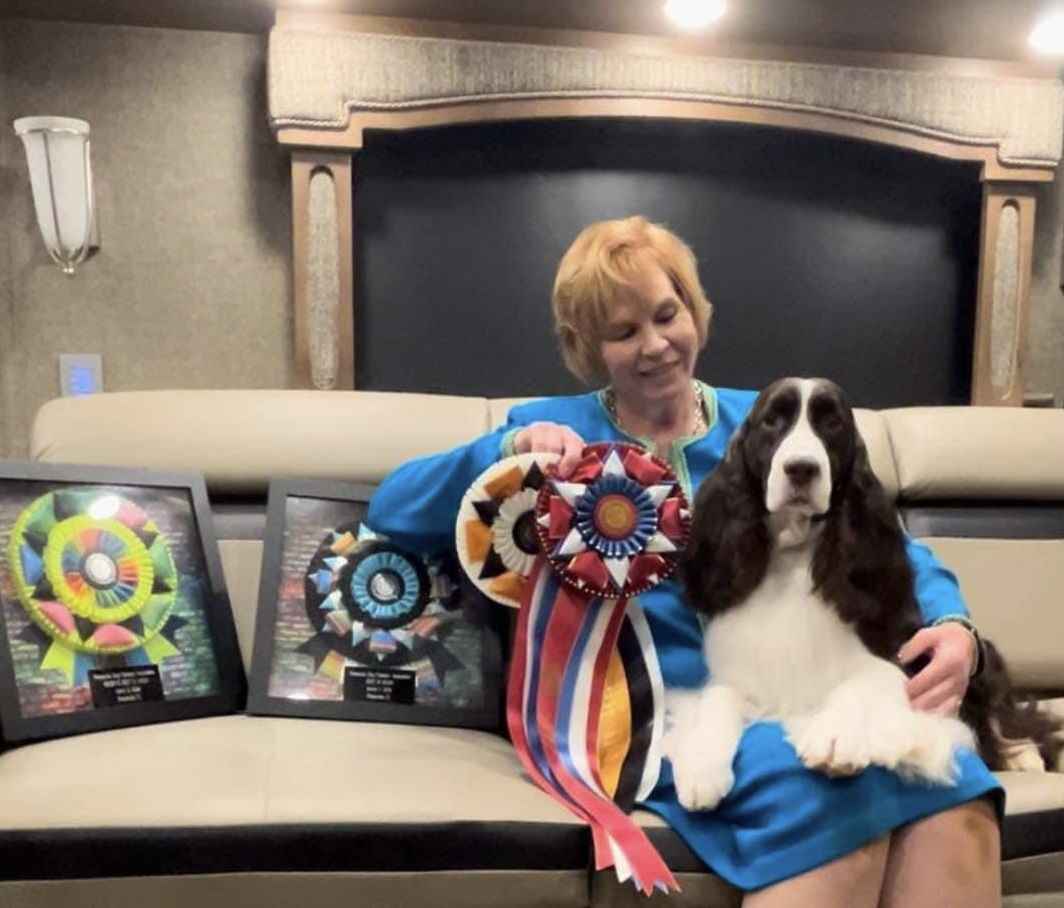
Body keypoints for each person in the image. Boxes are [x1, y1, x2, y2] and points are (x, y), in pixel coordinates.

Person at [366, 215, 1003, 907]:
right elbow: (394, 506)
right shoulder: (557, 428)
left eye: (666, 315)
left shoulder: (765, 422)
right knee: (842, 786)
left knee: (957, 784)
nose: (655, 345)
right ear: (590, 348)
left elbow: (892, 544)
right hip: (649, 720)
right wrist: (504, 451)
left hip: (777, 700)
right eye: (623, 332)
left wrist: (955, 627)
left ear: (694, 310)